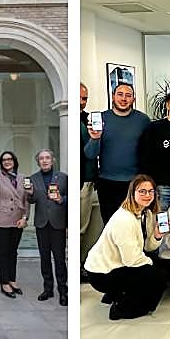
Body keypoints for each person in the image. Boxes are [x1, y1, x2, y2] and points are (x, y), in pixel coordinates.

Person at [85, 174, 168, 320]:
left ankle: (115, 294)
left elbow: (147, 247)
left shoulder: (146, 213)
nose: (147, 195)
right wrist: (151, 266)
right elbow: (131, 260)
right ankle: (122, 309)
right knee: (158, 276)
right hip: (101, 273)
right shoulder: (124, 219)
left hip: (116, 265)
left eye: (150, 191)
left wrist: (157, 236)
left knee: (154, 269)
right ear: (132, 193)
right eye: (142, 191)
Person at [86, 83, 151, 226]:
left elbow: (149, 152)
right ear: (113, 97)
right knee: (110, 226)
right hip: (107, 183)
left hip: (134, 183)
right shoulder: (102, 119)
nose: (124, 99)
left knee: (134, 225)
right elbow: (90, 154)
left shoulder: (143, 121)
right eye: (120, 94)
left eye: (128, 95)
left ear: (133, 99)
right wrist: (95, 138)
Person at [27, 148, 68, 305]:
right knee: (44, 258)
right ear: (38, 162)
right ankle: (48, 289)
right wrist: (30, 193)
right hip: (41, 223)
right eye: (41, 158)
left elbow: (69, 198)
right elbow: (31, 201)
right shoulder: (33, 178)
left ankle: (63, 291)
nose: (44, 161)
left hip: (58, 222)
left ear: (52, 160)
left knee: (59, 259)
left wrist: (61, 199)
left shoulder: (63, 178)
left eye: (47, 158)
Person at [0, 150, 29, 299]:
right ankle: (4, 282)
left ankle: (12, 279)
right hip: (0, 220)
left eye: (9, 159)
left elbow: (26, 200)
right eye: (4, 160)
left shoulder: (22, 177)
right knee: (2, 252)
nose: (7, 162)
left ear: (14, 161)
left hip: (18, 219)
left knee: (13, 251)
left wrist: (25, 217)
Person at [79, 83, 100, 280]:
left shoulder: (88, 120)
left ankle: (84, 264)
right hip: (81, 181)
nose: (82, 102)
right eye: (79, 97)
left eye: (84, 98)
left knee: (88, 228)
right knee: (80, 228)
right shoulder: (76, 122)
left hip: (92, 179)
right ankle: (78, 268)